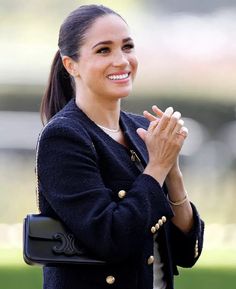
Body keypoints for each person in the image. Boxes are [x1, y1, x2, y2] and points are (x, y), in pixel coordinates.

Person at [37, 4, 204, 289]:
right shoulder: (64, 137)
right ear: (71, 64)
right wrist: (158, 166)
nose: (122, 60)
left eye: (127, 47)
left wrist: (171, 169)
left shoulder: (141, 130)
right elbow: (110, 238)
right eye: (104, 50)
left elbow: (187, 252)